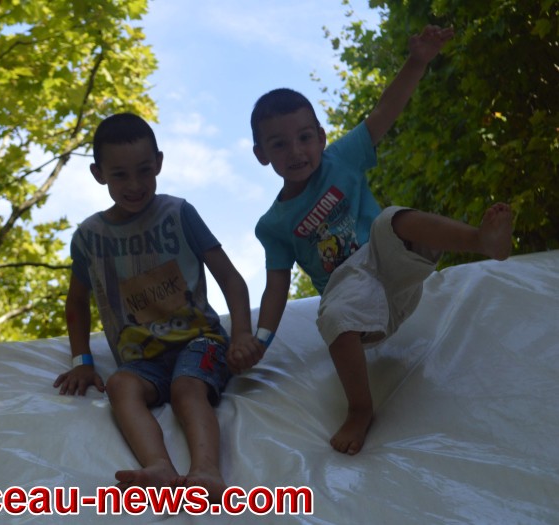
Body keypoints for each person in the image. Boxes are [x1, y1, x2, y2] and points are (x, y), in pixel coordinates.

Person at [228, 26, 513, 455]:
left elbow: (385, 110)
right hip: (354, 296)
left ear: (321, 137)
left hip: (392, 266)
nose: (296, 150)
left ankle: (481, 240)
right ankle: (360, 409)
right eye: (279, 144)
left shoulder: (342, 158)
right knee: (332, 314)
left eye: (304, 137)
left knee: (391, 219)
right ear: (261, 154)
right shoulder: (274, 224)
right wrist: (260, 340)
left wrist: (417, 61)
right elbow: (276, 286)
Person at [53, 113, 260, 500]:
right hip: (140, 360)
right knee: (120, 385)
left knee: (187, 387)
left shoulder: (178, 214)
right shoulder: (89, 237)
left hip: (199, 342)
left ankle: (206, 471)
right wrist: (82, 362)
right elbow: (76, 301)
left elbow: (230, 277)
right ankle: (158, 467)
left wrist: (242, 334)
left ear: (159, 163)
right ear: (98, 174)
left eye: (144, 171)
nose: (134, 185)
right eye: (120, 175)